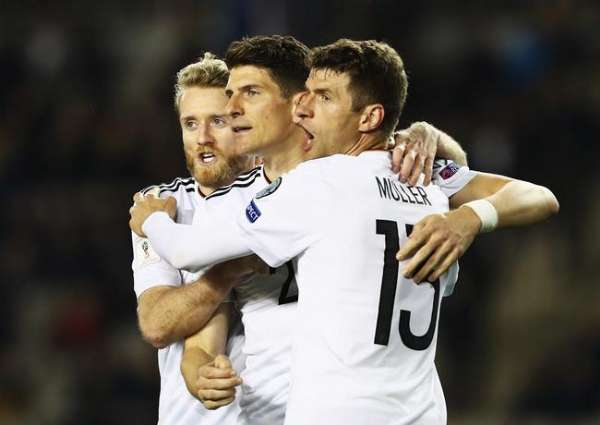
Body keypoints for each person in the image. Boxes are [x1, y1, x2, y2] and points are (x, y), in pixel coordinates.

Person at [130, 39, 558, 424]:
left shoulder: (319, 182)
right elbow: (536, 196)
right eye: (193, 122)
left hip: (334, 409)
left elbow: (186, 251)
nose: (233, 111)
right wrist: (469, 216)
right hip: (418, 409)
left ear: (294, 104)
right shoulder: (416, 176)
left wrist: (150, 218)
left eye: (250, 94)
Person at [130, 53, 263, 425]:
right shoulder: (158, 207)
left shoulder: (284, 194)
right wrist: (229, 270)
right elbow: (157, 323)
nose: (202, 138)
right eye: (190, 124)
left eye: (217, 121)